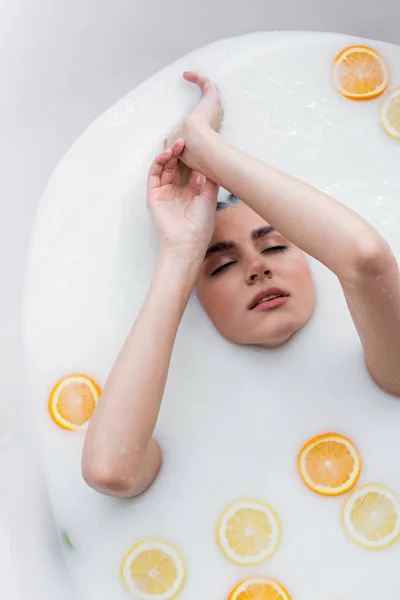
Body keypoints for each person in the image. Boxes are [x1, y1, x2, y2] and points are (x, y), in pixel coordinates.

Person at [82, 72, 400, 499]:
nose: (257, 269)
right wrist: (181, 250)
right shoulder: (192, 415)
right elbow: (109, 470)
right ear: (196, 301)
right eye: (222, 266)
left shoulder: (390, 366)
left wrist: (205, 146)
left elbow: (366, 260)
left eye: (273, 248)